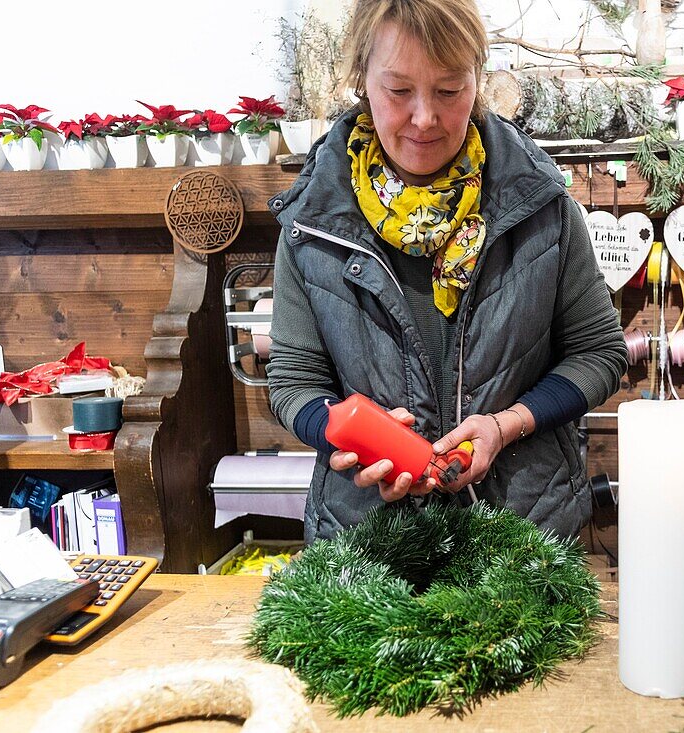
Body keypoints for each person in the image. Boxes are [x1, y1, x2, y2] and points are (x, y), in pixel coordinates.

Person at [266, 0, 627, 542]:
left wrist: (506, 427)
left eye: (449, 90)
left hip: (523, 539)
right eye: (398, 90)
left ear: (477, 81)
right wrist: (350, 440)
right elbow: (294, 383)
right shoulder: (312, 221)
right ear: (362, 80)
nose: (424, 117)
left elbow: (599, 353)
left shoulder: (539, 203)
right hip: (365, 546)